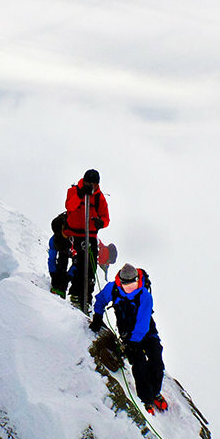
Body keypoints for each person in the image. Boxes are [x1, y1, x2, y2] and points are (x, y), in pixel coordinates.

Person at [90, 263, 168, 415]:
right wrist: (97, 315)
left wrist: (134, 341)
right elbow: (100, 300)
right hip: (127, 334)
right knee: (139, 365)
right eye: (128, 286)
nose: (131, 289)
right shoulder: (112, 289)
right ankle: (146, 399)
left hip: (146, 332)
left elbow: (143, 322)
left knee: (156, 360)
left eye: (134, 285)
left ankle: (156, 392)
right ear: (121, 282)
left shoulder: (144, 295)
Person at [63, 169, 109, 309]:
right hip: (75, 234)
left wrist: (101, 223)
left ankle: (87, 298)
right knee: (79, 264)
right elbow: (69, 206)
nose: (92, 186)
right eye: (89, 183)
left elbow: (106, 218)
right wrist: (80, 194)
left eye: (94, 184)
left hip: (91, 235)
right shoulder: (74, 191)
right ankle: (76, 295)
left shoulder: (99, 197)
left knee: (91, 266)